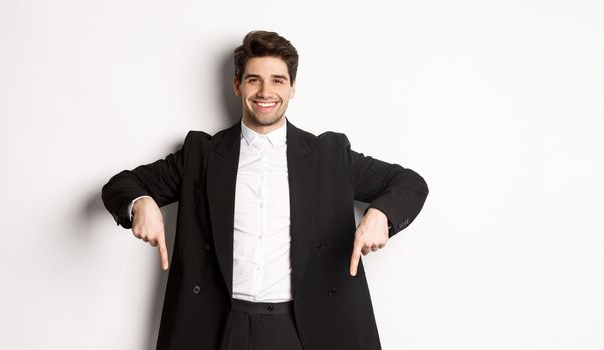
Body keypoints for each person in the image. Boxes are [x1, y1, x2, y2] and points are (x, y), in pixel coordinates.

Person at [102, 30, 428, 350]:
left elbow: (410, 183)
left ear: (293, 88)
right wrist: (141, 203)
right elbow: (121, 185)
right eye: (254, 79)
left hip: (305, 327)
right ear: (237, 85)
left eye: (277, 80)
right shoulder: (200, 155)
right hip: (220, 326)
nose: (265, 91)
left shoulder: (329, 156)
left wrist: (381, 215)